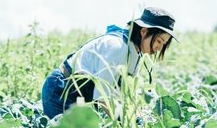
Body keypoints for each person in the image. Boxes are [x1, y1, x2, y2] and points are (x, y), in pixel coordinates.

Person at [41, 7, 177, 118]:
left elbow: (124, 95)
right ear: (143, 31)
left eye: (163, 44)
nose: (159, 48)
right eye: (159, 41)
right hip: (61, 90)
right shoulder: (118, 47)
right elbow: (103, 98)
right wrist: (129, 124)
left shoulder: (135, 53)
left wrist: (139, 117)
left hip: (82, 97)